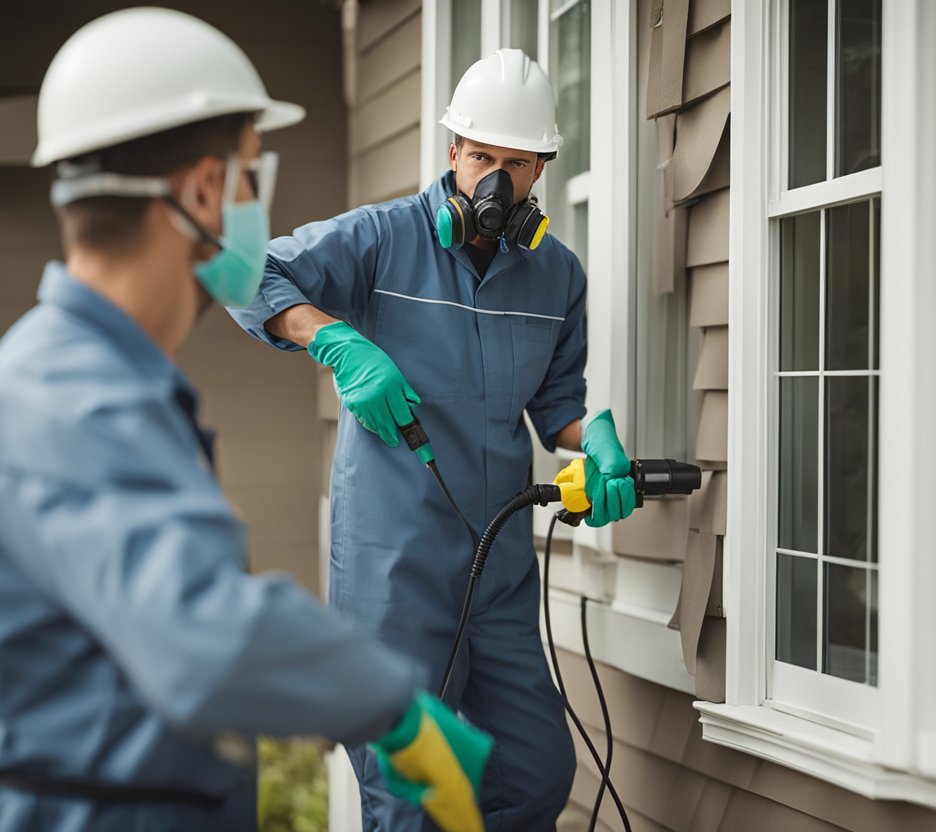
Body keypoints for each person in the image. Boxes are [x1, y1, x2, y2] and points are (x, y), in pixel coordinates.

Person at [0, 9, 489, 831]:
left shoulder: (92, 376)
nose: (258, 204)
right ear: (203, 191)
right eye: (254, 176)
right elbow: (205, 636)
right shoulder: (75, 398)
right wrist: (393, 706)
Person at [229, 47, 639, 830]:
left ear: (541, 170)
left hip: (501, 574)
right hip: (396, 579)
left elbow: (557, 408)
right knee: (417, 800)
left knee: (537, 774)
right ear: (452, 152)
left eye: (515, 163)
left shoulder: (559, 277)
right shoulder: (383, 240)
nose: (493, 180)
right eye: (480, 155)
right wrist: (335, 341)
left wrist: (600, 441)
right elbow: (243, 269)